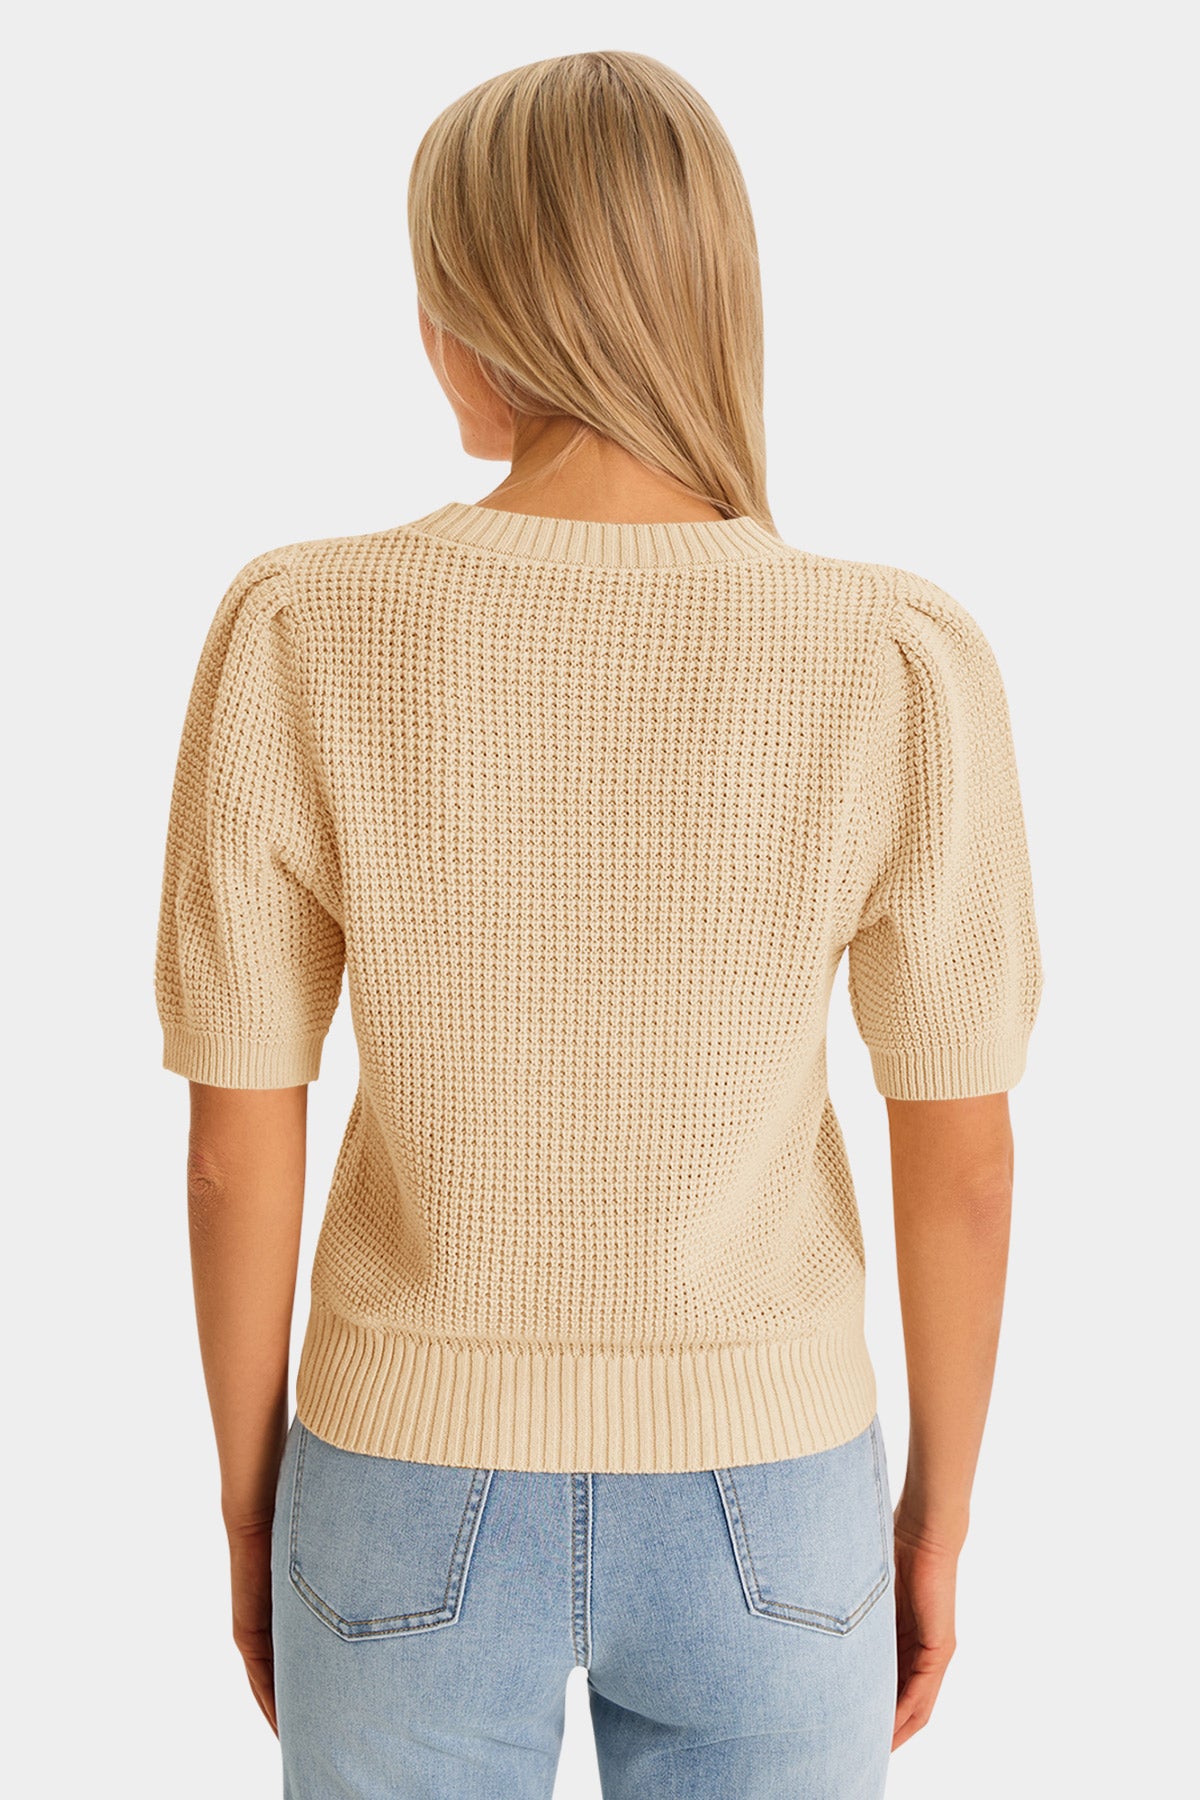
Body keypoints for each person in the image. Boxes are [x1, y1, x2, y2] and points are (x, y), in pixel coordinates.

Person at [154, 48, 1043, 1800]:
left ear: (480, 324)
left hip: (395, 1483)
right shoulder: (894, 659)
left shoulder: (301, 629)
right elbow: (967, 1160)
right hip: (775, 1492)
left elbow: (231, 1148)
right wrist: (935, 1517)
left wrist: (256, 1505)